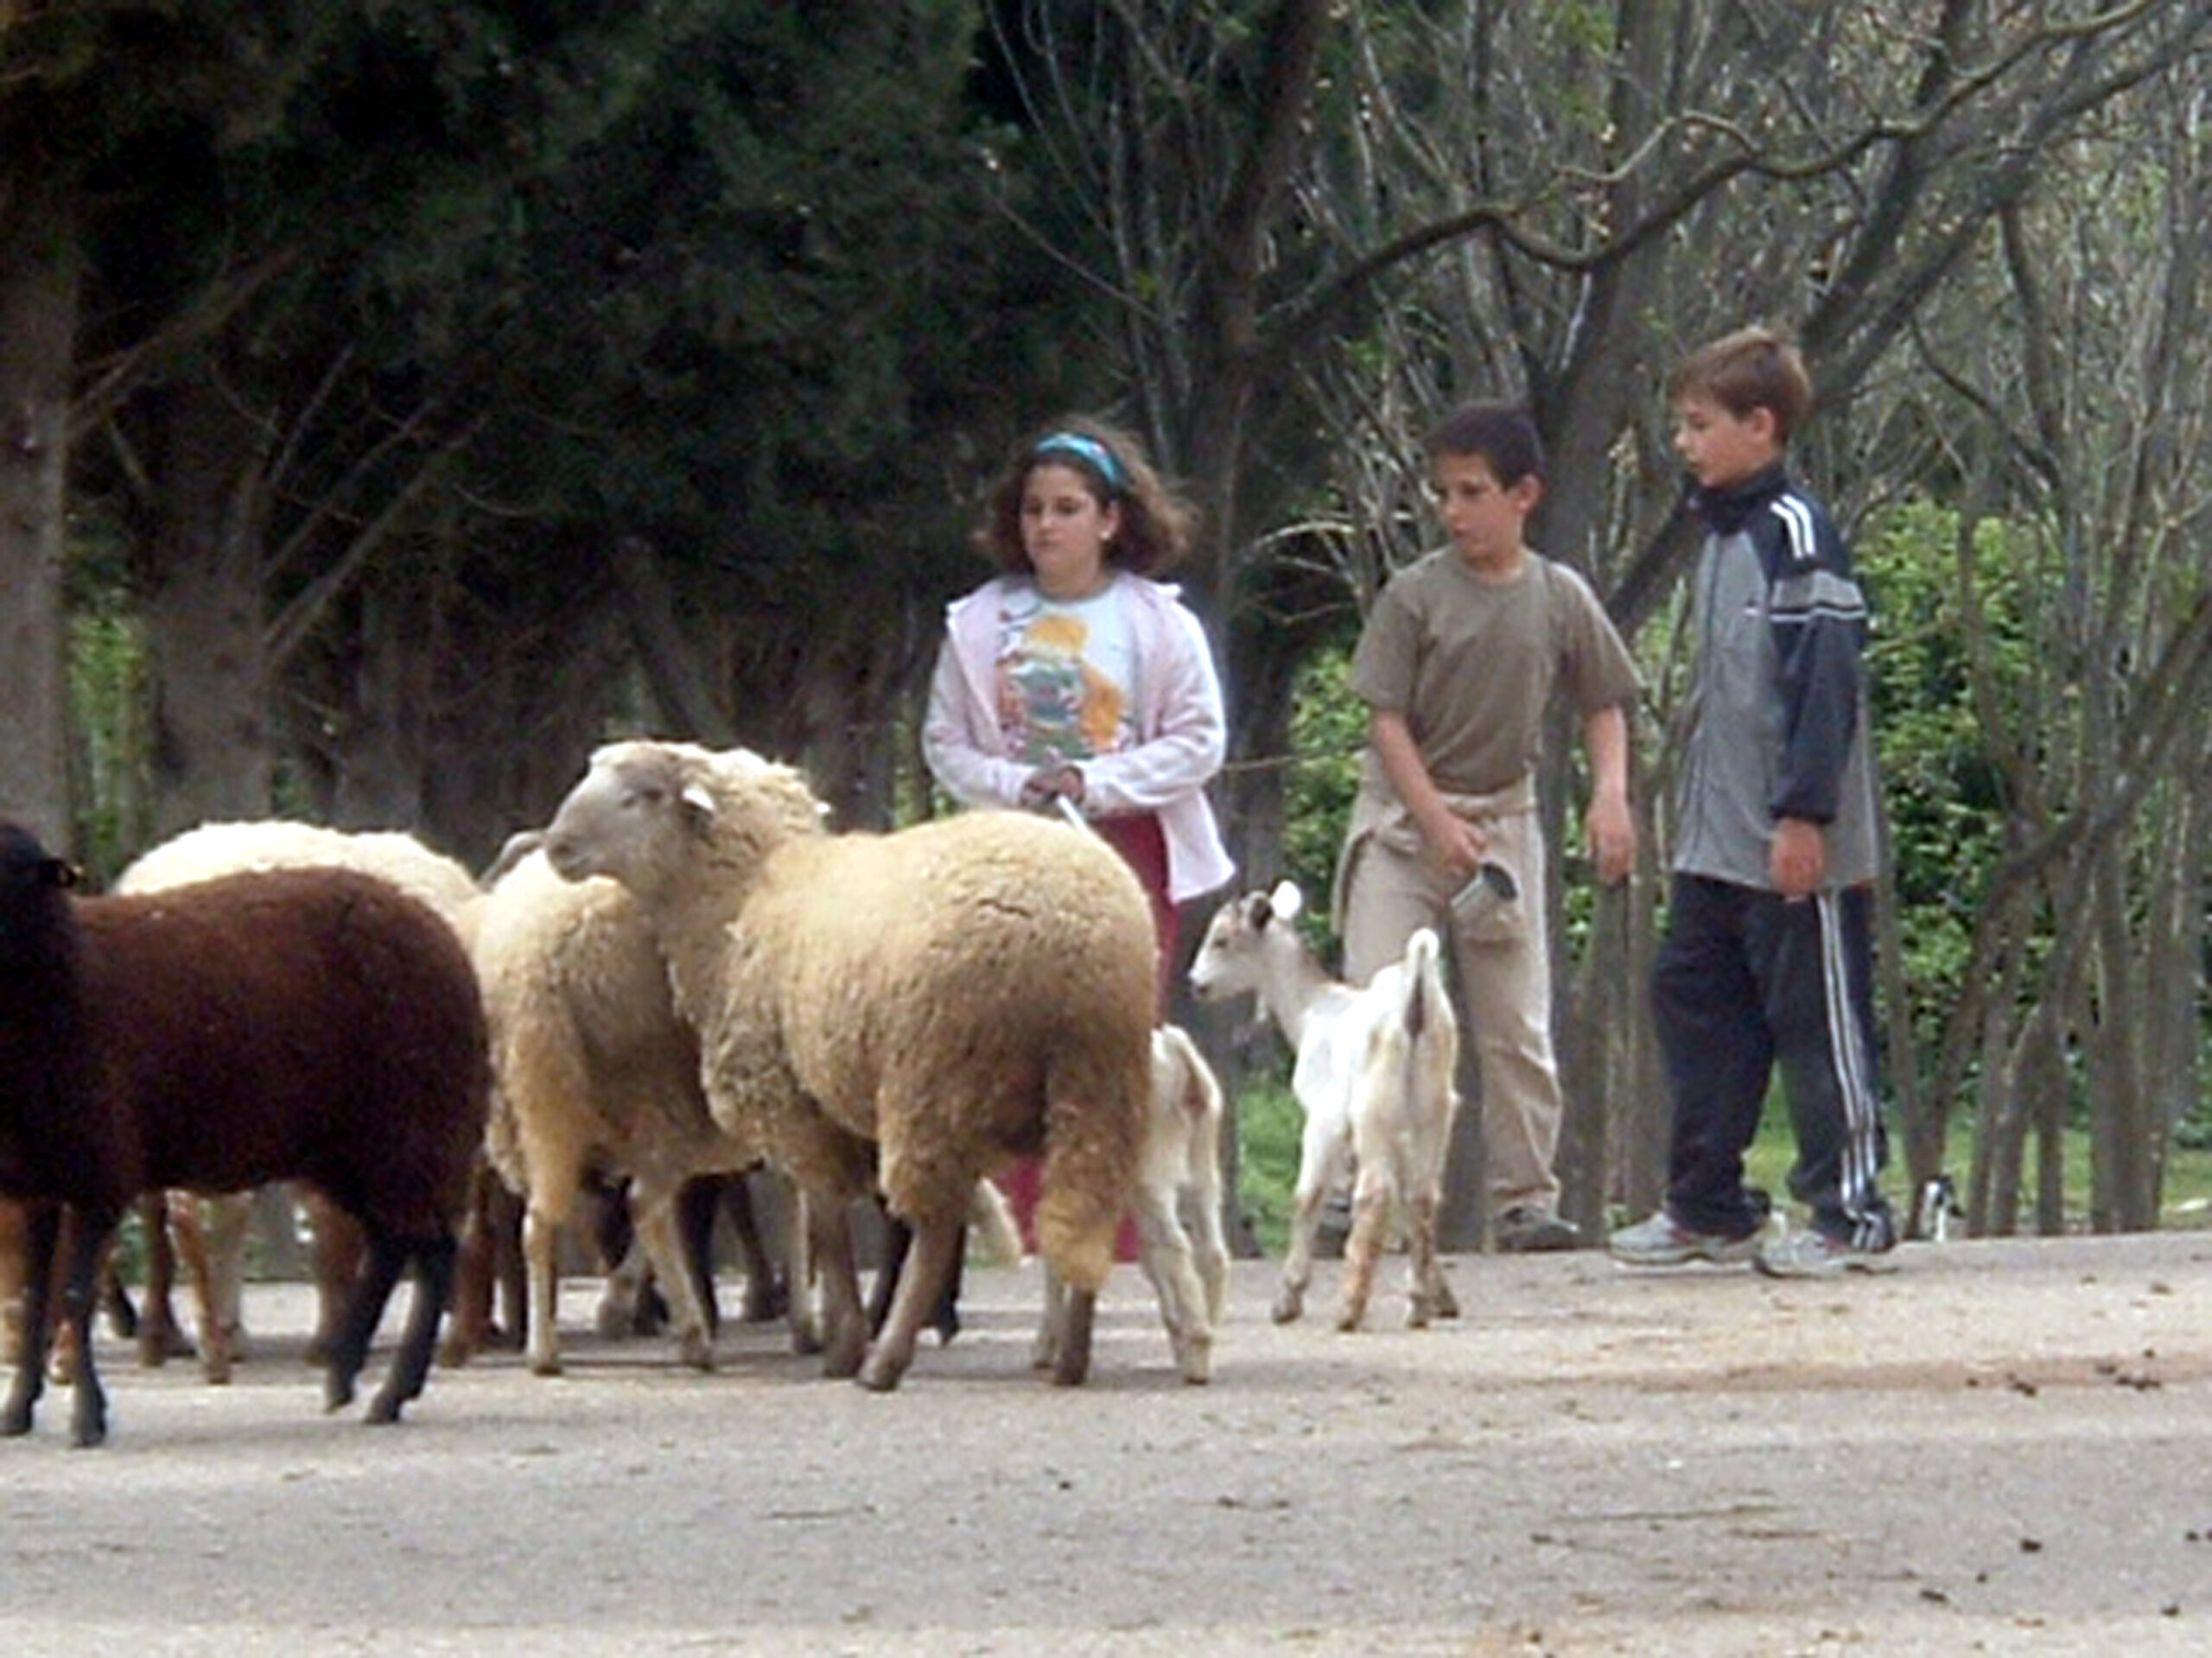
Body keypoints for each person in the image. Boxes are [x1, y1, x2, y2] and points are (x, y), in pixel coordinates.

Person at [1609, 326, 1898, 1279]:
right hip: (1712, 841)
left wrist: (1803, 814)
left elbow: (1825, 688)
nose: (1683, 443)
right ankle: (1708, 1205)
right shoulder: (1716, 536)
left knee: (1817, 1021)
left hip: (1789, 837)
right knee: (1691, 1000)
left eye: (1699, 425)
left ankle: (1849, 1211)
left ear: (1760, 425)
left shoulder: (1798, 538)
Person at [1333, 401, 1638, 1255]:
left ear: (1523, 494)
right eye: (1443, 492)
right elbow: (1385, 719)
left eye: (1472, 491)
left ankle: (1523, 1199)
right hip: (1403, 823)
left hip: (1501, 823)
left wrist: (1609, 795)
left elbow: (1603, 700)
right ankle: (1357, 1188)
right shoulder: (1415, 595)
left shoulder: (1557, 595)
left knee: (1515, 1024)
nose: (1454, 510)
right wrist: (1431, 819)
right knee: (1378, 1007)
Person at [923, 416, 1235, 1249]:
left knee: (1113, 1042)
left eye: (1067, 508)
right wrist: (1016, 783)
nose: (1047, 526)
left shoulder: (1159, 625)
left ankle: (1126, 1231)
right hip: (1017, 856)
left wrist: (1095, 782)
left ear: (1109, 519)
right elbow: (946, 740)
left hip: (1127, 851)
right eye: (1034, 509)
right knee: (1015, 1042)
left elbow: (1198, 740)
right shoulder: (979, 624)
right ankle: (1028, 1231)